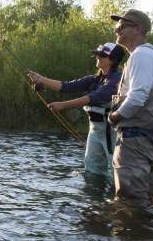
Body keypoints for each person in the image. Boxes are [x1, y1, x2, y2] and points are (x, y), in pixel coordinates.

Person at [28, 42, 125, 183]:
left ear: (113, 60)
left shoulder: (116, 80)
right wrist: (41, 79)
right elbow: (66, 86)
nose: (97, 56)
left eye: (102, 55)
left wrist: (63, 105)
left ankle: (123, 199)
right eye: (97, 54)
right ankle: (95, 200)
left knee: (118, 170)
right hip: (95, 131)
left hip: (111, 133)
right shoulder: (94, 79)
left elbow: (94, 98)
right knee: (92, 170)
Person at [107, 9, 153, 207]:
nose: (117, 29)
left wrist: (115, 116)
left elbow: (138, 96)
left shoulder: (140, 56)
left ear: (139, 29)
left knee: (130, 201)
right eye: (117, 26)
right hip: (148, 139)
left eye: (122, 26)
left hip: (134, 139)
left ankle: (135, 237)